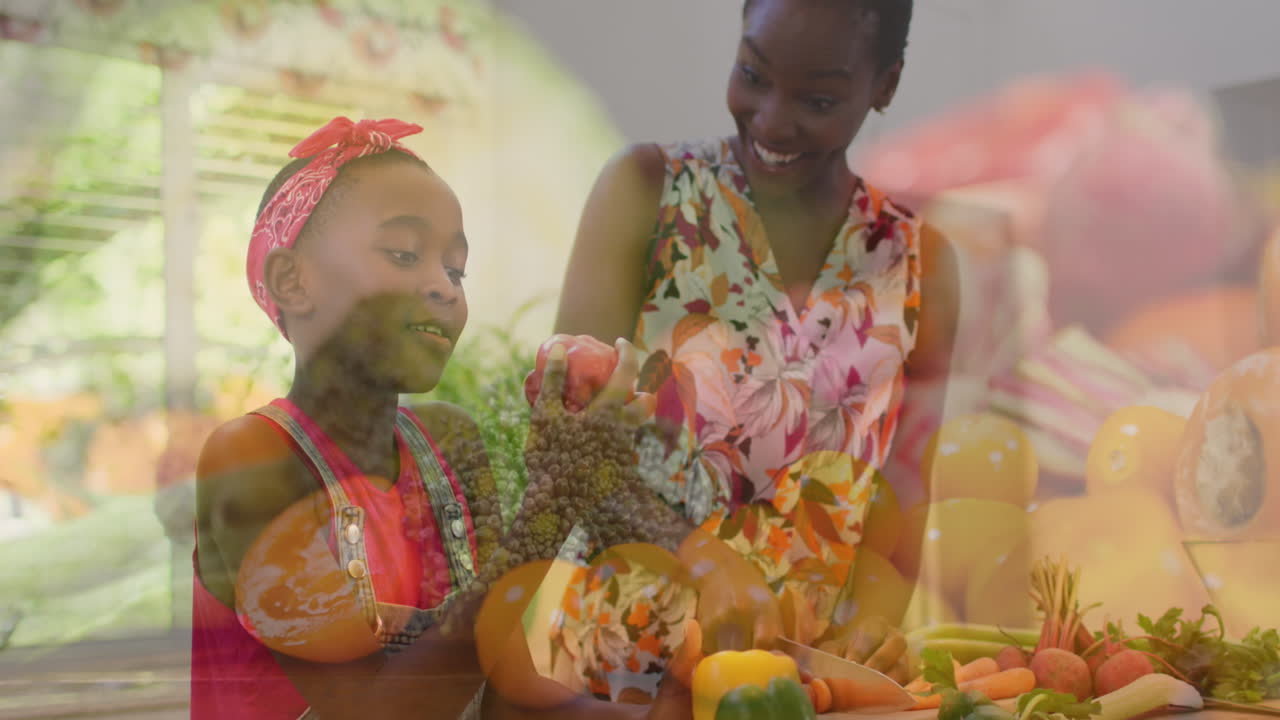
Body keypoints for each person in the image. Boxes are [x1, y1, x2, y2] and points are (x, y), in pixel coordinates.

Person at [548, 0, 961, 702]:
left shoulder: (920, 263)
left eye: (819, 98)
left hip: (794, 691)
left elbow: (901, 511)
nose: (771, 118)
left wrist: (876, 627)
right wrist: (696, 558)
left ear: (884, 85)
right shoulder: (647, 192)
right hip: (613, 676)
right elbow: (565, 446)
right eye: (753, 74)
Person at [190, 116, 663, 719]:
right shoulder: (252, 460)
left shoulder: (449, 441)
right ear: (293, 280)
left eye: (456, 269)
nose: (444, 286)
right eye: (403, 252)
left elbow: (503, 675)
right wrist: (553, 504)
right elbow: (375, 708)